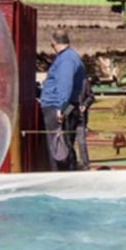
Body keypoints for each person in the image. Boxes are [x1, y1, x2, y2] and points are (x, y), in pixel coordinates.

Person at [39, 29, 85, 171]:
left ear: (53, 43)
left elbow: (65, 84)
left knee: (59, 145)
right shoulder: (70, 57)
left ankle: (61, 175)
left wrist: (61, 108)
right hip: (65, 104)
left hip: (57, 106)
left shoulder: (66, 59)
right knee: (63, 143)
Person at [75, 71, 95, 170]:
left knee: (81, 140)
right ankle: (72, 162)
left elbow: (91, 96)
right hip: (69, 114)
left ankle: (85, 163)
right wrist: (64, 113)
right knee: (68, 141)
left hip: (81, 116)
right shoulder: (66, 81)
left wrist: (85, 105)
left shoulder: (84, 82)